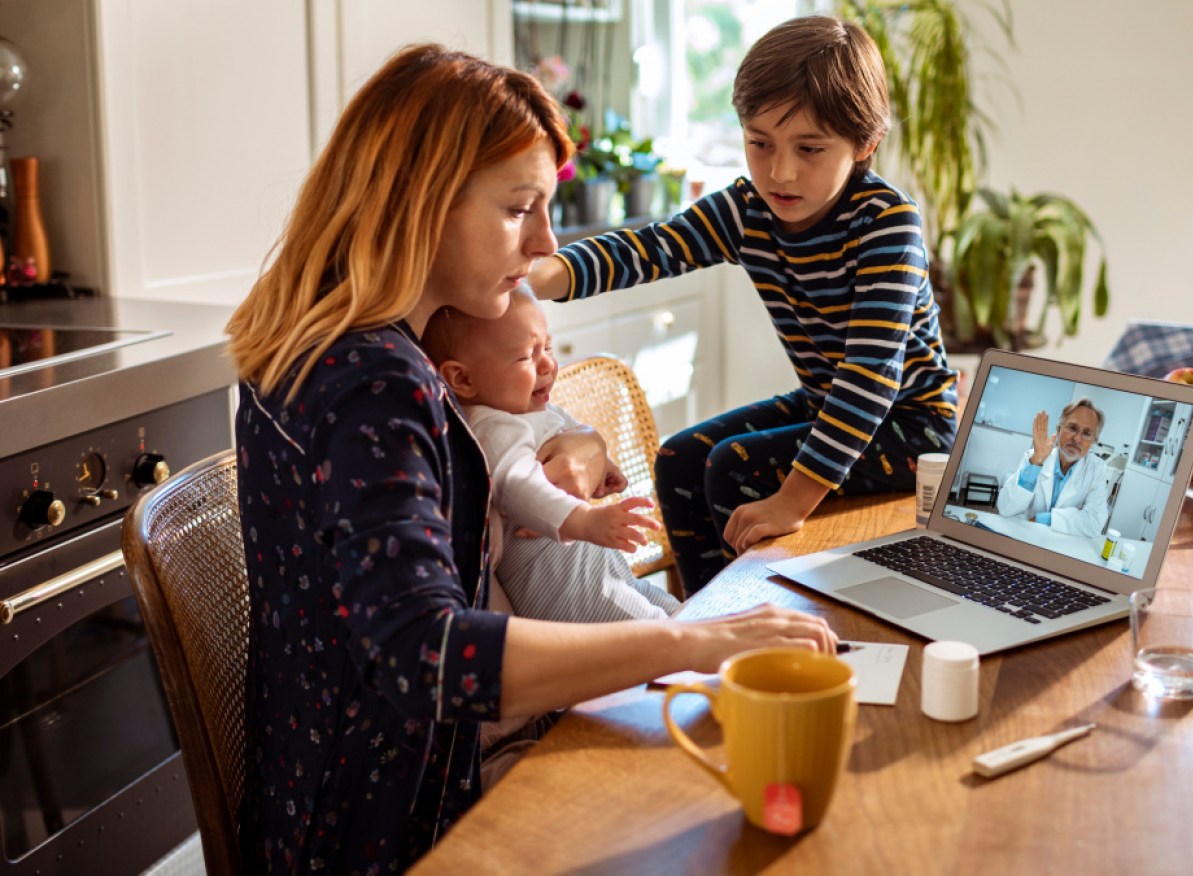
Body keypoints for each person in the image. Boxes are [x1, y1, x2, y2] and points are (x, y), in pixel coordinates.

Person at [224, 44, 837, 873]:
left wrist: (572, 442)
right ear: (421, 202)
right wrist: (693, 644)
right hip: (393, 824)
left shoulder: (335, 346)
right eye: (520, 208)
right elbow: (428, 655)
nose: (546, 241)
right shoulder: (374, 383)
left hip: (328, 792)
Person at [529, 15, 959, 594]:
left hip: (916, 428)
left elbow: (869, 380)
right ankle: (704, 612)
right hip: (825, 403)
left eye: (809, 149)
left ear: (865, 144)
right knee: (680, 458)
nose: (780, 172)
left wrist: (794, 500)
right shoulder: (746, 209)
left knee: (733, 465)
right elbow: (650, 248)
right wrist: (536, 276)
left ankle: (748, 615)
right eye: (759, 143)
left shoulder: (886, 224)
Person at [422, 287, 680, 621]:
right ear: (462, 378)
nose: (548, 364)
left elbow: (566, 429)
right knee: (668, 637)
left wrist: (603, 465)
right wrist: (585, 520)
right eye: (526, 356)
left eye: (547, 347)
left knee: (683, 616)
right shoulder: (490, 427)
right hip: (565, 594)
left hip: (599, 576)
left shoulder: (527, 409)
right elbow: (520, 484)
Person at [996, 399, 1110, 537]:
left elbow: (1094, 522)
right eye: (1072, 428)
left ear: (1093, 441)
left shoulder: (1096, 469)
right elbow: (1005, 508)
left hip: (1062, 545)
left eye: (1086, 433)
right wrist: (1037, 461)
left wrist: (1044, 519)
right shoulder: (1035, 457)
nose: (1077, 439)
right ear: (1059, 429)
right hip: (1024, 536)